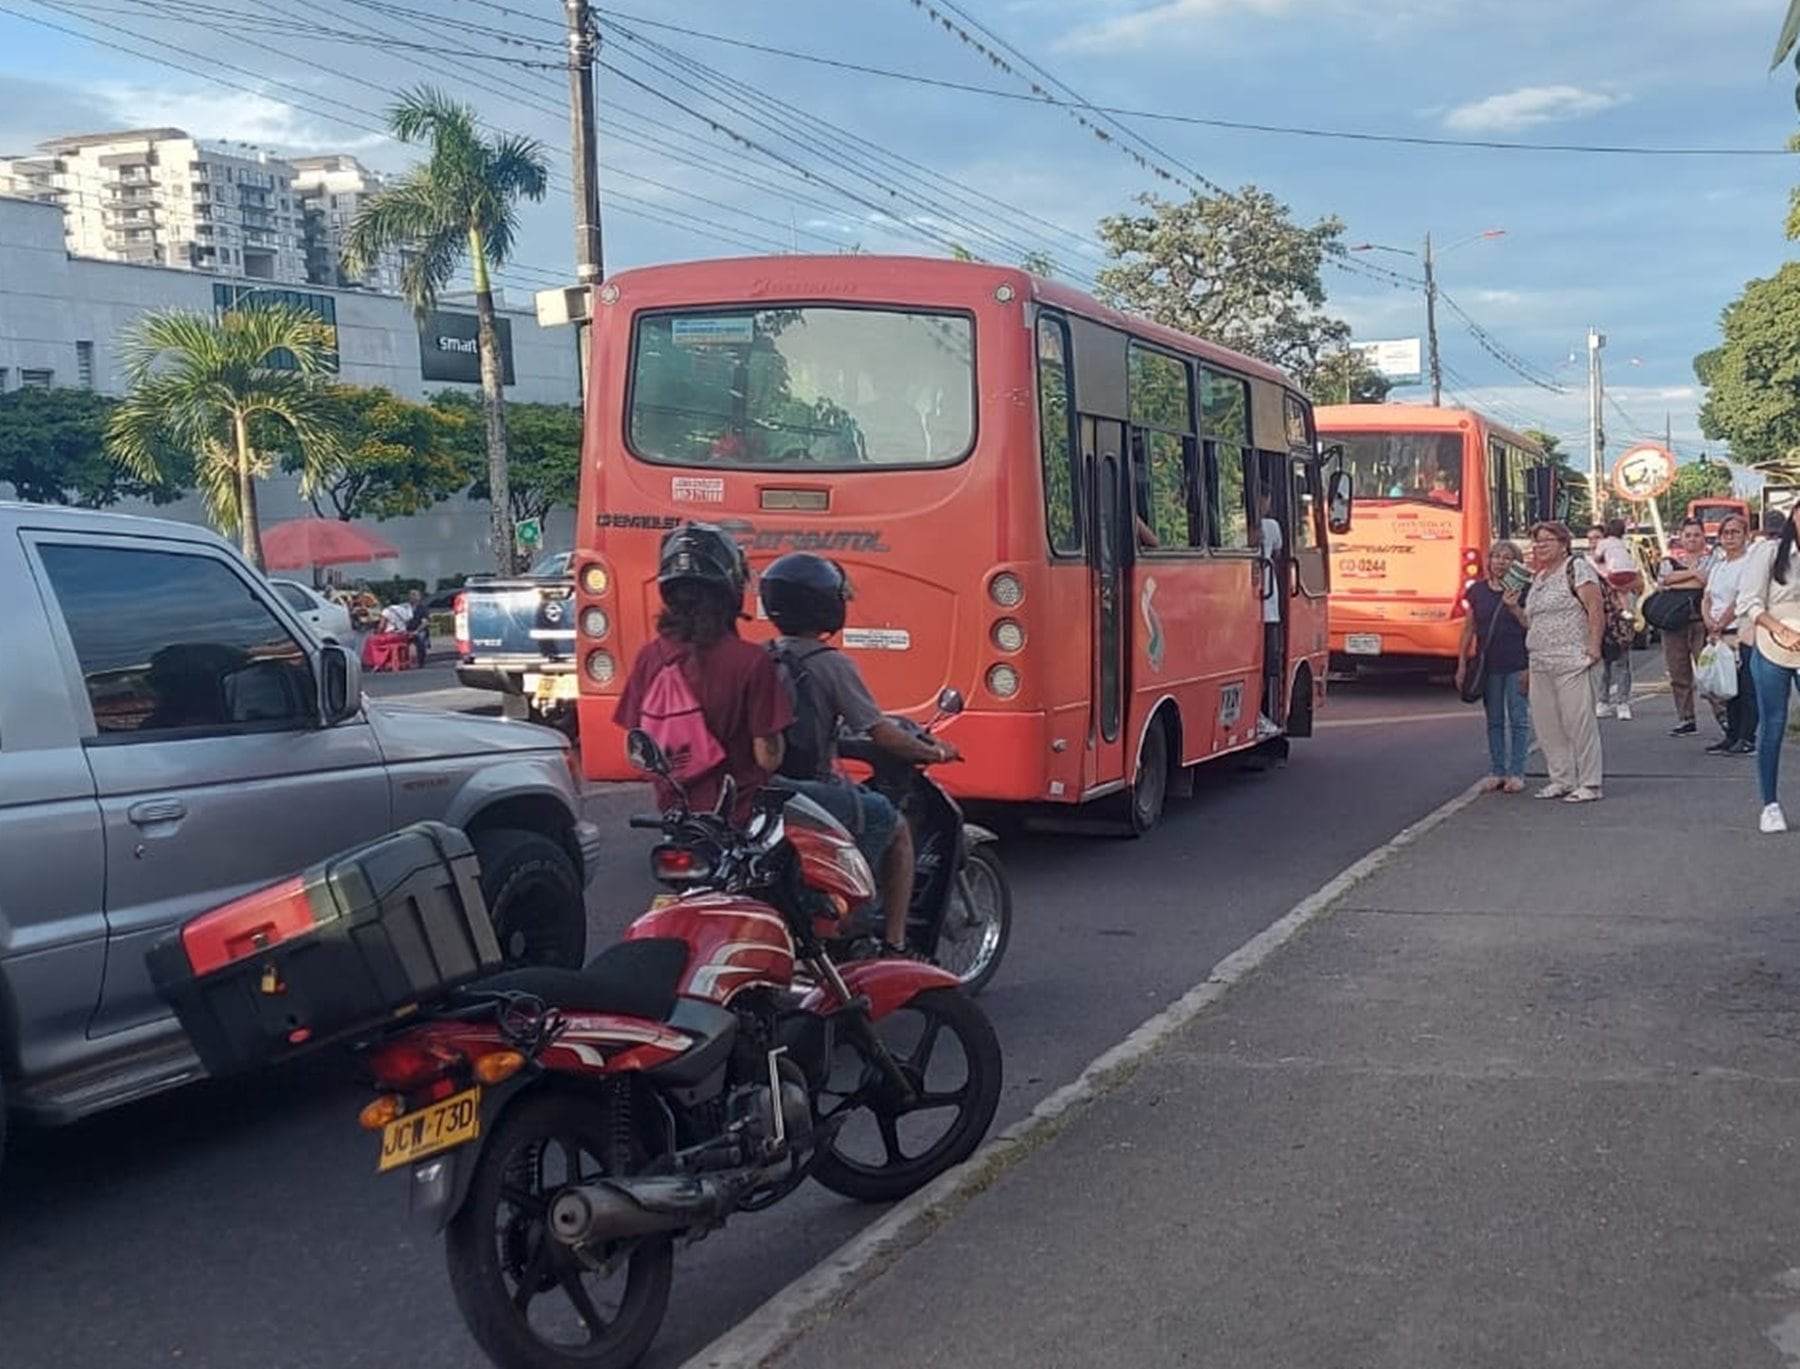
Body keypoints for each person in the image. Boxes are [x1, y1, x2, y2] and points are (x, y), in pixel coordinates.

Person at [757, 553, 961, 956]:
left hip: (762, 789)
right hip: (806, 790)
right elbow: (883, 734)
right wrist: (934, 751)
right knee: (894, 826)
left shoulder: (760, 657)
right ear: (824, 605)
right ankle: (893, 942)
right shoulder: (831, 664)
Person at [614, 523, 792, 821]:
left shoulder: (650, 657)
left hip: (676, 815)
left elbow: (638, 750)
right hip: (741, 815)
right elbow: (768, 757)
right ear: (731, 589)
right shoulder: (751, 661)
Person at [1524, 521, 1605, 802]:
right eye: (1537, 541)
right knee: (1548, 724)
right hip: (1541, 660)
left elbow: (1595, 608)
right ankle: (1561, 778)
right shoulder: (1539, 578)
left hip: (1573, 658)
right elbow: (1532, 620)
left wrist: (1593, 645)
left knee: (1578, 721)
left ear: (1563, 544)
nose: (1540, 546)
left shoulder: (1577, 569)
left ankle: (1590, 782)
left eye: (1547, 540)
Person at [1737, 509, 1800, 832]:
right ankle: (1770, 804)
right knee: (1773, 722)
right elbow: (1750, 602)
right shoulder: (1770, 552)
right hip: (1773, 642)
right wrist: (1780, 630)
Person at [1456, 541, 1532, 793]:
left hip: (1518, 662)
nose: (1500, 561)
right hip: (1488, 663)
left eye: (1508, 557)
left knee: (1518, 719)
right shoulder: (1477, 590)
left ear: (1516, 563)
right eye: (1496, 556)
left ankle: (1517, 772)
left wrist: (1514, 607)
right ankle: (1498, 770)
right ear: (1488, 561)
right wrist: (1462, 663)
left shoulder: (1525, 590)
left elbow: (1531, 627)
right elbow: (1469, 628)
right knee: (1494, 719)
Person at [1655, 517, 1720, 737]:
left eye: (1696, 535)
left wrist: (1678, 580)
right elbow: (1664, 580)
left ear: (1704, 537)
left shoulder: (1714, 560)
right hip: (1673, 624)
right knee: (1678, 673)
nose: (1692, 539)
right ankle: (1685, 719)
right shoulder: (1668, 560)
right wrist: (1692, 574)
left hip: (1702, 623)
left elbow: (1708, 582)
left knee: (1710, 671)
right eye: (1688, 535)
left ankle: (1724, 716)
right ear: (1680, 537)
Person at [1702, 513, 1757, 755]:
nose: (1730, 537)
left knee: (1747, 687)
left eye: (1735, 532)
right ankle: (1731, 734)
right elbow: (1707, 597)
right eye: (1725, 533)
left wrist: (1721, 622)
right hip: (1718, 632)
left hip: (1740, 631)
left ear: (1746, 535)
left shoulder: (1749, 564)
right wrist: (1710, 623)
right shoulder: (1719, 566)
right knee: (1727, 688)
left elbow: (1741, 599)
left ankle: (1747, 737)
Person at [1590, 517, 1644, 720]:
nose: (1595, 542)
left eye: (1597, 537)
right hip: (1601, 618)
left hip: (1618, 619)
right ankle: (1602, 701)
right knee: (1602, 662)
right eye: (1591, 539)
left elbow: (1638, 582)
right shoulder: (1589, 563)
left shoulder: (1605, 558)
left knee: (1622, 660)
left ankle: (1622, 702)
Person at [1255, 487, 1284, 738]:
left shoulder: (1236, 522)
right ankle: (1258, 713)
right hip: (1268, 607)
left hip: (1246, 606)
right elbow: (1278, 552)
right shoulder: (1271, 526)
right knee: (1265, 666)